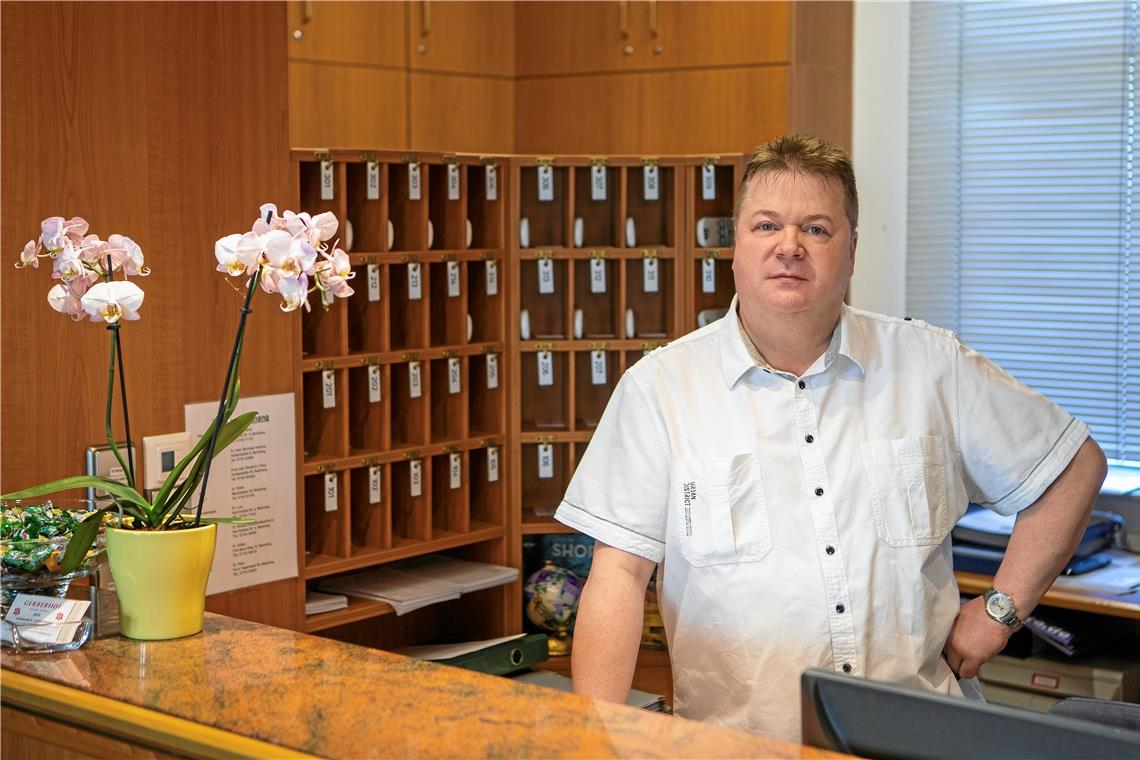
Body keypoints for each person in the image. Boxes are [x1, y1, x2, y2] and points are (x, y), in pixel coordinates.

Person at [553, 134, 1107, 743]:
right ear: (733, 246)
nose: (788, 247)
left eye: (816, 229)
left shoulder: (930, 366)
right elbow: (619, 577)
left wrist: (1001, 610)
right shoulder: (660, 389)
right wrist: (595, 740)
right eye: (766, 225)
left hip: (916, 736)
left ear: (851, 250)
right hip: (739, 746)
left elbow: (1073, 467)